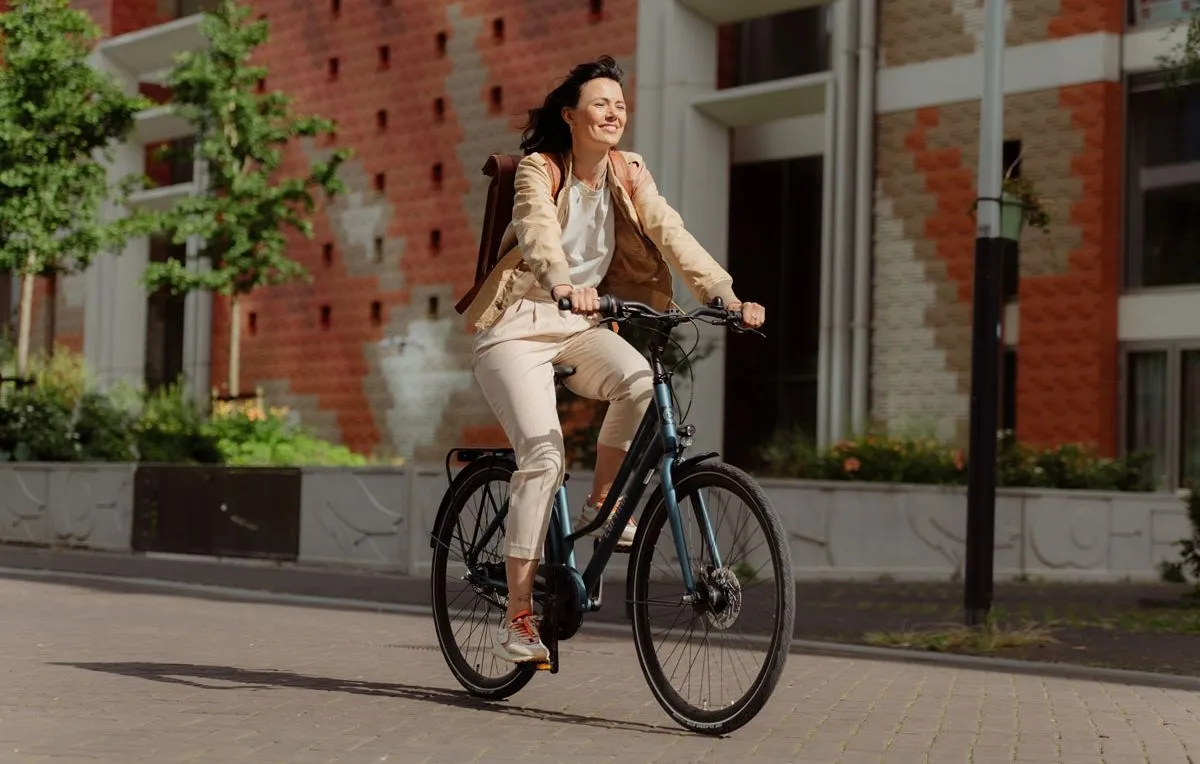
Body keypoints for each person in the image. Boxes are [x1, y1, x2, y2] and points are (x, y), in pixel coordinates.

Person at [462, 55, 766, 664]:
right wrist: (560, 282)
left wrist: (724, 295)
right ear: (570, 115)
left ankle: (604, 503)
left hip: (580, 322)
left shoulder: (629, 173)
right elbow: (539, 231)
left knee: (637, 383)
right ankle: (519, 615)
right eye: (599, 103)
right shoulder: (538, 170)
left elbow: (669, 231)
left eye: (620, 104)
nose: (613, 111)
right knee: (543, 458)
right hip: (519, 325)